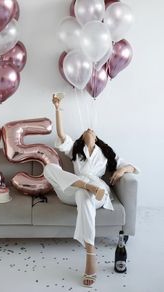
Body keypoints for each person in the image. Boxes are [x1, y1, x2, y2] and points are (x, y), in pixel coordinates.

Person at [43, 94, 139, 288]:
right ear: (83, 137)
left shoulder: (106, 154)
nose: (89, 129)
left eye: (92, 130)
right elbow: (61, 135)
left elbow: (132, 167)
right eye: (86, 130)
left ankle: (90, 255)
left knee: (84, 198)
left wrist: (120, 170)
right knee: (49, 168)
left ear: (96, 137)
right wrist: (57, 108)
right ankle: (86, 186)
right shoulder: (75, 150)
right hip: (72, 187)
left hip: (97, 192)